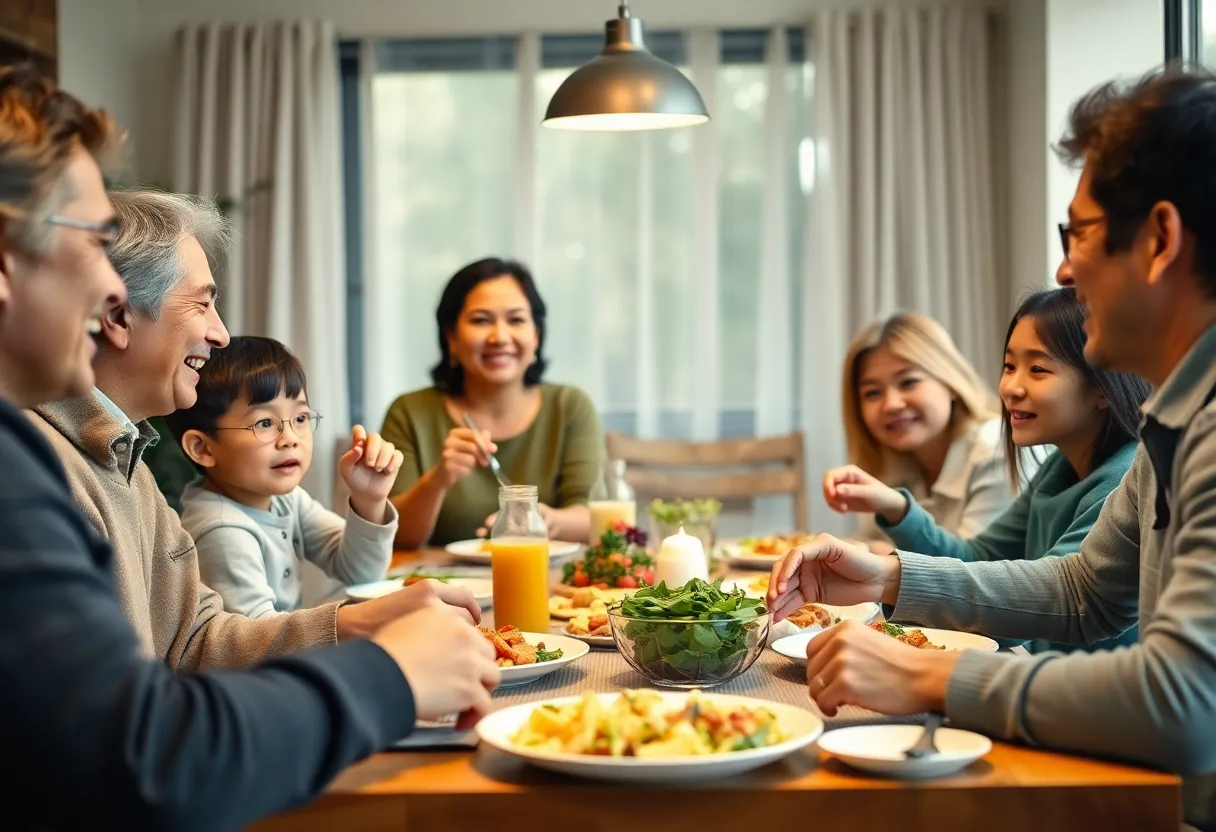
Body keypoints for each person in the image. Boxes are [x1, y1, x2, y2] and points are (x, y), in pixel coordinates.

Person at [0, 66, 498, 830]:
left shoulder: (119, 458)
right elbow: (148, 759)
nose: (110, 291)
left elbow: (192, 642)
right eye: (96, 243)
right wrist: (387, 674)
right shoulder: (24, 466)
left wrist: (347, 627)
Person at [767, 65, 1216, 831]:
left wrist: (934, 674)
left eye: (1077, 233)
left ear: (1160, 239)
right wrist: (891, 575)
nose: (1064, 269)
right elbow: (1080, 591)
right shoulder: (1179, 420)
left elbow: (1182, 705)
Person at [28, 186, 483, 668]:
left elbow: (196, 640)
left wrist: (364, 621)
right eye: (202, 305)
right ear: (117, 315)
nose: (221, 334)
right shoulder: (41, 471)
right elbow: (111, 712)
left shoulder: (125, 460)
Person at [822, 288, 1149, 653]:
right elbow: (977, 558)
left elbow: (1046, 604)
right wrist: (898, 510)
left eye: (1037, 369)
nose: (1010, 387)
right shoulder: (1060, 468)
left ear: (1103, 386)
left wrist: (888, 578)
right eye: (1009, 367)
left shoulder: (1123, 476)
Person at [167, 335, 401, 618]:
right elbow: (256, 639)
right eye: (264, 423)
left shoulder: (286, 500)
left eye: (301, 418)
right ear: (202, 447)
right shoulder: (220, 529)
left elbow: (360, 572)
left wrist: (369, 499)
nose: (290, 438)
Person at [382, 257, 603, 547]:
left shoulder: (570, 406)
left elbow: (596, 520)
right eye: (481, 320)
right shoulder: (409, 413)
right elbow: (396, 538)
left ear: (536, 335)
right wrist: (438, 480)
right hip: (440, 587)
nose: (499, 337)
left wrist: (544, 520)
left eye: (516, 320)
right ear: (451, 337)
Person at [838, 312, 1021, 547]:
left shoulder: (997, 448)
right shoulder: (889, 461)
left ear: (951, 382)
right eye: (872, 393)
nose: (891, 404)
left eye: (908, 382)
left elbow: (973, 573)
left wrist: (875, 551)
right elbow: (872, 542)